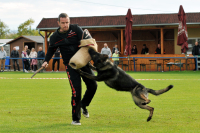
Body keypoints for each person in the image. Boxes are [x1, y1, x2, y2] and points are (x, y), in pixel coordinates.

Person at [41, 13, 97, 125]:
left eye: (67, 22)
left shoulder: (76, 29)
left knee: (93, 85)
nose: (65, 25)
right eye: (63, 23)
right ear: (58, 23)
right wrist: (46, 61)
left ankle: (83, 105)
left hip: (83, 62)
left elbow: (86, 40)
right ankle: (76, 119)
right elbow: (51, 50)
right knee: (76, 91)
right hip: (70, 65)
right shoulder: (54, 37)